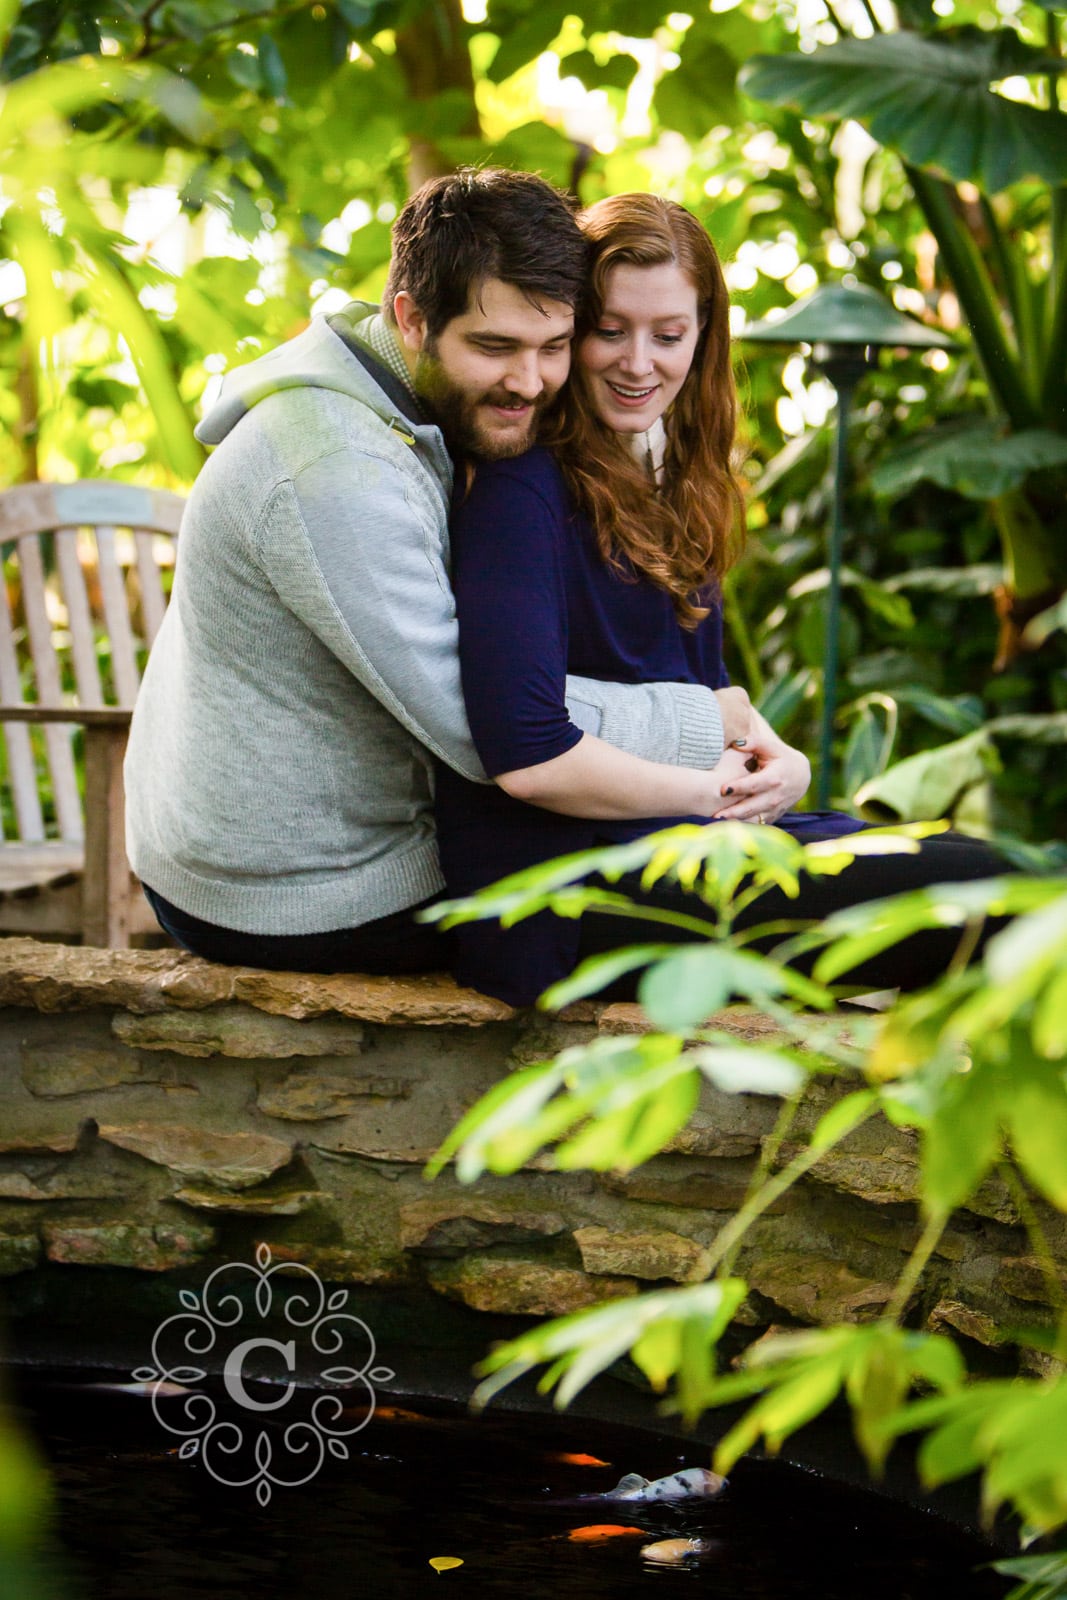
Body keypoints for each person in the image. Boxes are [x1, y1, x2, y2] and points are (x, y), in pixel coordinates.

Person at [124, 170, 747, 975]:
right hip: (299, 889)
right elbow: (488, 721)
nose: (528, 381)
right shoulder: (337, 469)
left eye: (552, 346)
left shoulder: (403, 405)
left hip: (324, 842)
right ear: (411, 320)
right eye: (494, 347)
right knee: (690, 900)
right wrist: (705, 727)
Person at [435, 193, 1009, 1006]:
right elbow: (526, 757)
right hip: (569, 888)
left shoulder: (671, 475)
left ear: (703, 338)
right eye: (610, 330)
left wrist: (788, 767)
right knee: (981, 888)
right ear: (571, 329)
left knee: (984, 866)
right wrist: (715, 792)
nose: (639, 363)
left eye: (668, 335)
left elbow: (714, 696)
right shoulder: (521, 492)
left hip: (691, 835)